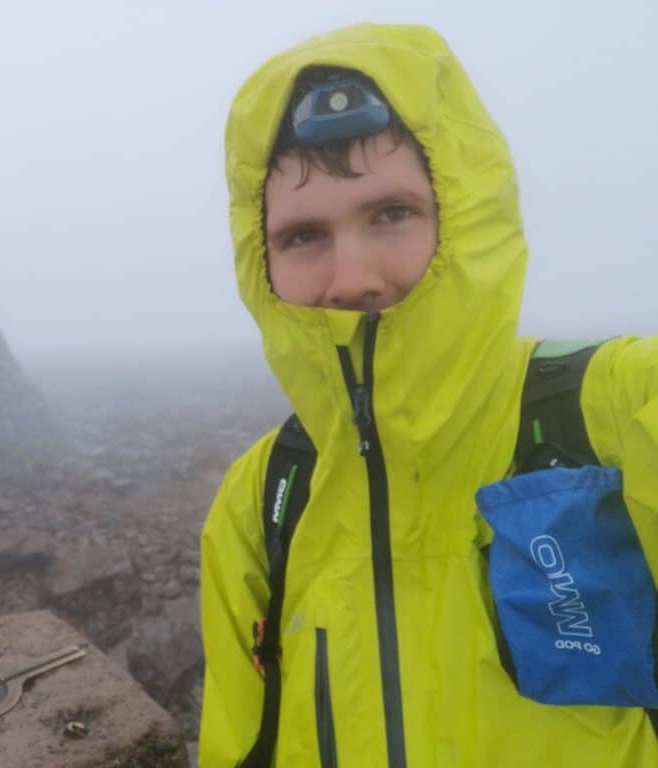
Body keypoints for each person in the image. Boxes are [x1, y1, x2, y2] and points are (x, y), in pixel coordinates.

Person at [198, 22, 658, 767]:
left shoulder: (619, 408)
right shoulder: (262, 501)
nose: (351, 279)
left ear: (468, 217)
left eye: (391, 214)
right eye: (303, 235)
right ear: (262, 263)